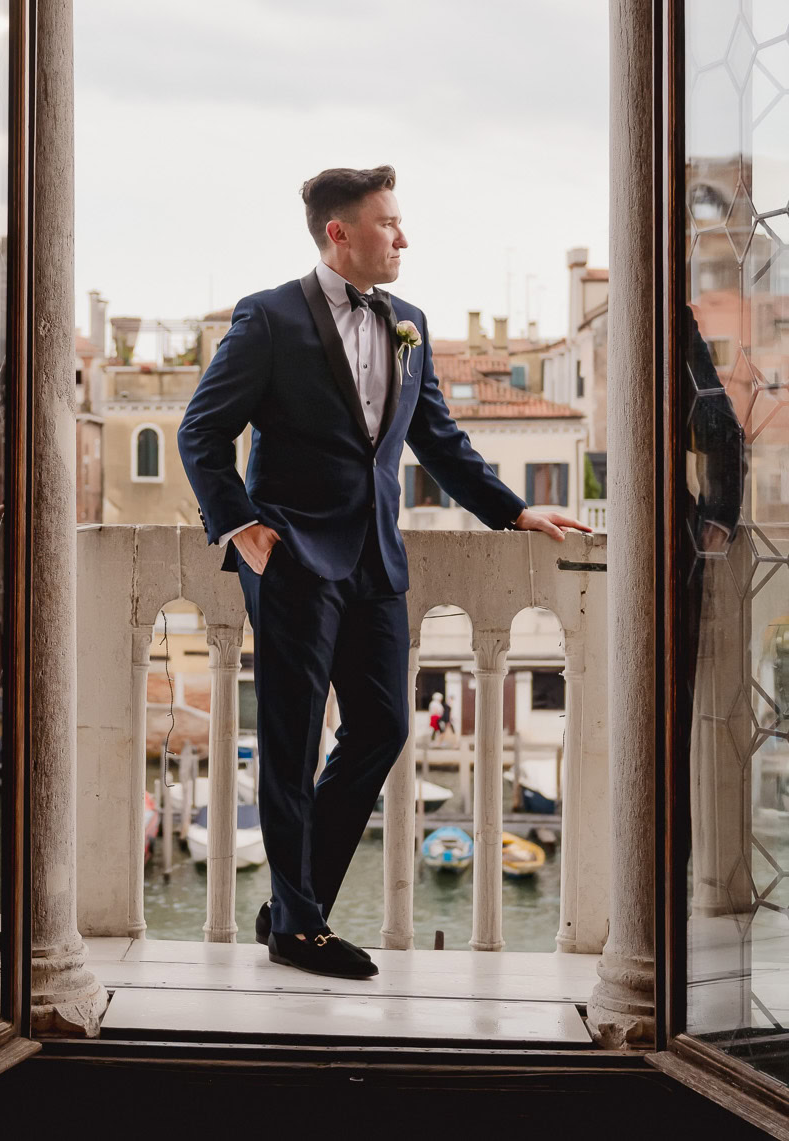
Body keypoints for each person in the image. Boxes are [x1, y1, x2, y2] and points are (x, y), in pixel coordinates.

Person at [178, 165, 590, 979]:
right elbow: (200, 432)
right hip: (291, 557)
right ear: (340, 233)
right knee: (291, 747)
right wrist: (244, 529)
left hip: (374, 559)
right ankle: (300, 927)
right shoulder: (268, 317)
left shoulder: (410, 322)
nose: (404, 237)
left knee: (384, 727)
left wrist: (512, 510)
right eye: (389, 223)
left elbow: (438, 439)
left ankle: (292, 907)